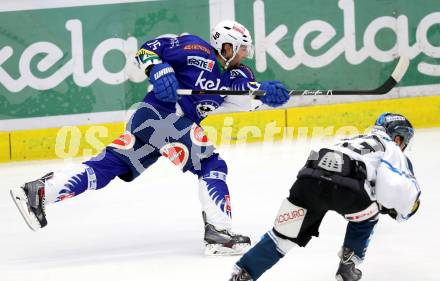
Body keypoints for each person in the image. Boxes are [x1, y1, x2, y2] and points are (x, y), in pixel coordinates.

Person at [9, 20, 290, 256]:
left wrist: (266, 95)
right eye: (240, 49)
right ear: (225, 45)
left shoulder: (236, 77)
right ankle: (218, 233)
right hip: (158, 115)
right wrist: (158, 68)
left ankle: (40, 191)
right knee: (210, 165)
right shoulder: (194, 47)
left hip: (159, 125)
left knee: (105, 168)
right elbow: (148, 49)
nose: (244, 55)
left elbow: (244, 97)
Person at [229, 112, 421, 280]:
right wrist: (401, 210)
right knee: (368, 217)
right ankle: (348, 265)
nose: (403, 146)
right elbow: (392, 186)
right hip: (347, 192)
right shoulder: (391, 148)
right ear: (397, 138)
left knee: (282, 237)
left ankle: (244, 274)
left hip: (307, 184)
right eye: (404, 141)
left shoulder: (350, 139)